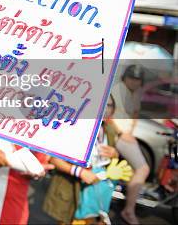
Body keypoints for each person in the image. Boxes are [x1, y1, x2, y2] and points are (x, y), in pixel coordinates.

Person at [44, 95, 132, 224]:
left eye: (108, 105)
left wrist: (115, 154)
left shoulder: (109, 130)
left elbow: (112, 162)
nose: (104, 109)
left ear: (113, 110)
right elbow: (53, 159)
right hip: (71, 195)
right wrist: (80, 172)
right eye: (101, 104)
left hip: (97, 198)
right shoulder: (74, 126)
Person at [110, 65, 150, 225]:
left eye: (137, 79)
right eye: (131, 78)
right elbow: (108, 113)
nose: (134, 82)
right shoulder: (117, 90)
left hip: (126, 135)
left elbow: (135, 114)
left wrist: (130, 131)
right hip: (117, 135)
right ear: (125, 78)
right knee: (143, 168)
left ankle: (127, 198)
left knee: (133, 170)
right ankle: (129, 210)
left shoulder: (135, 94)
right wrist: (123, 133)